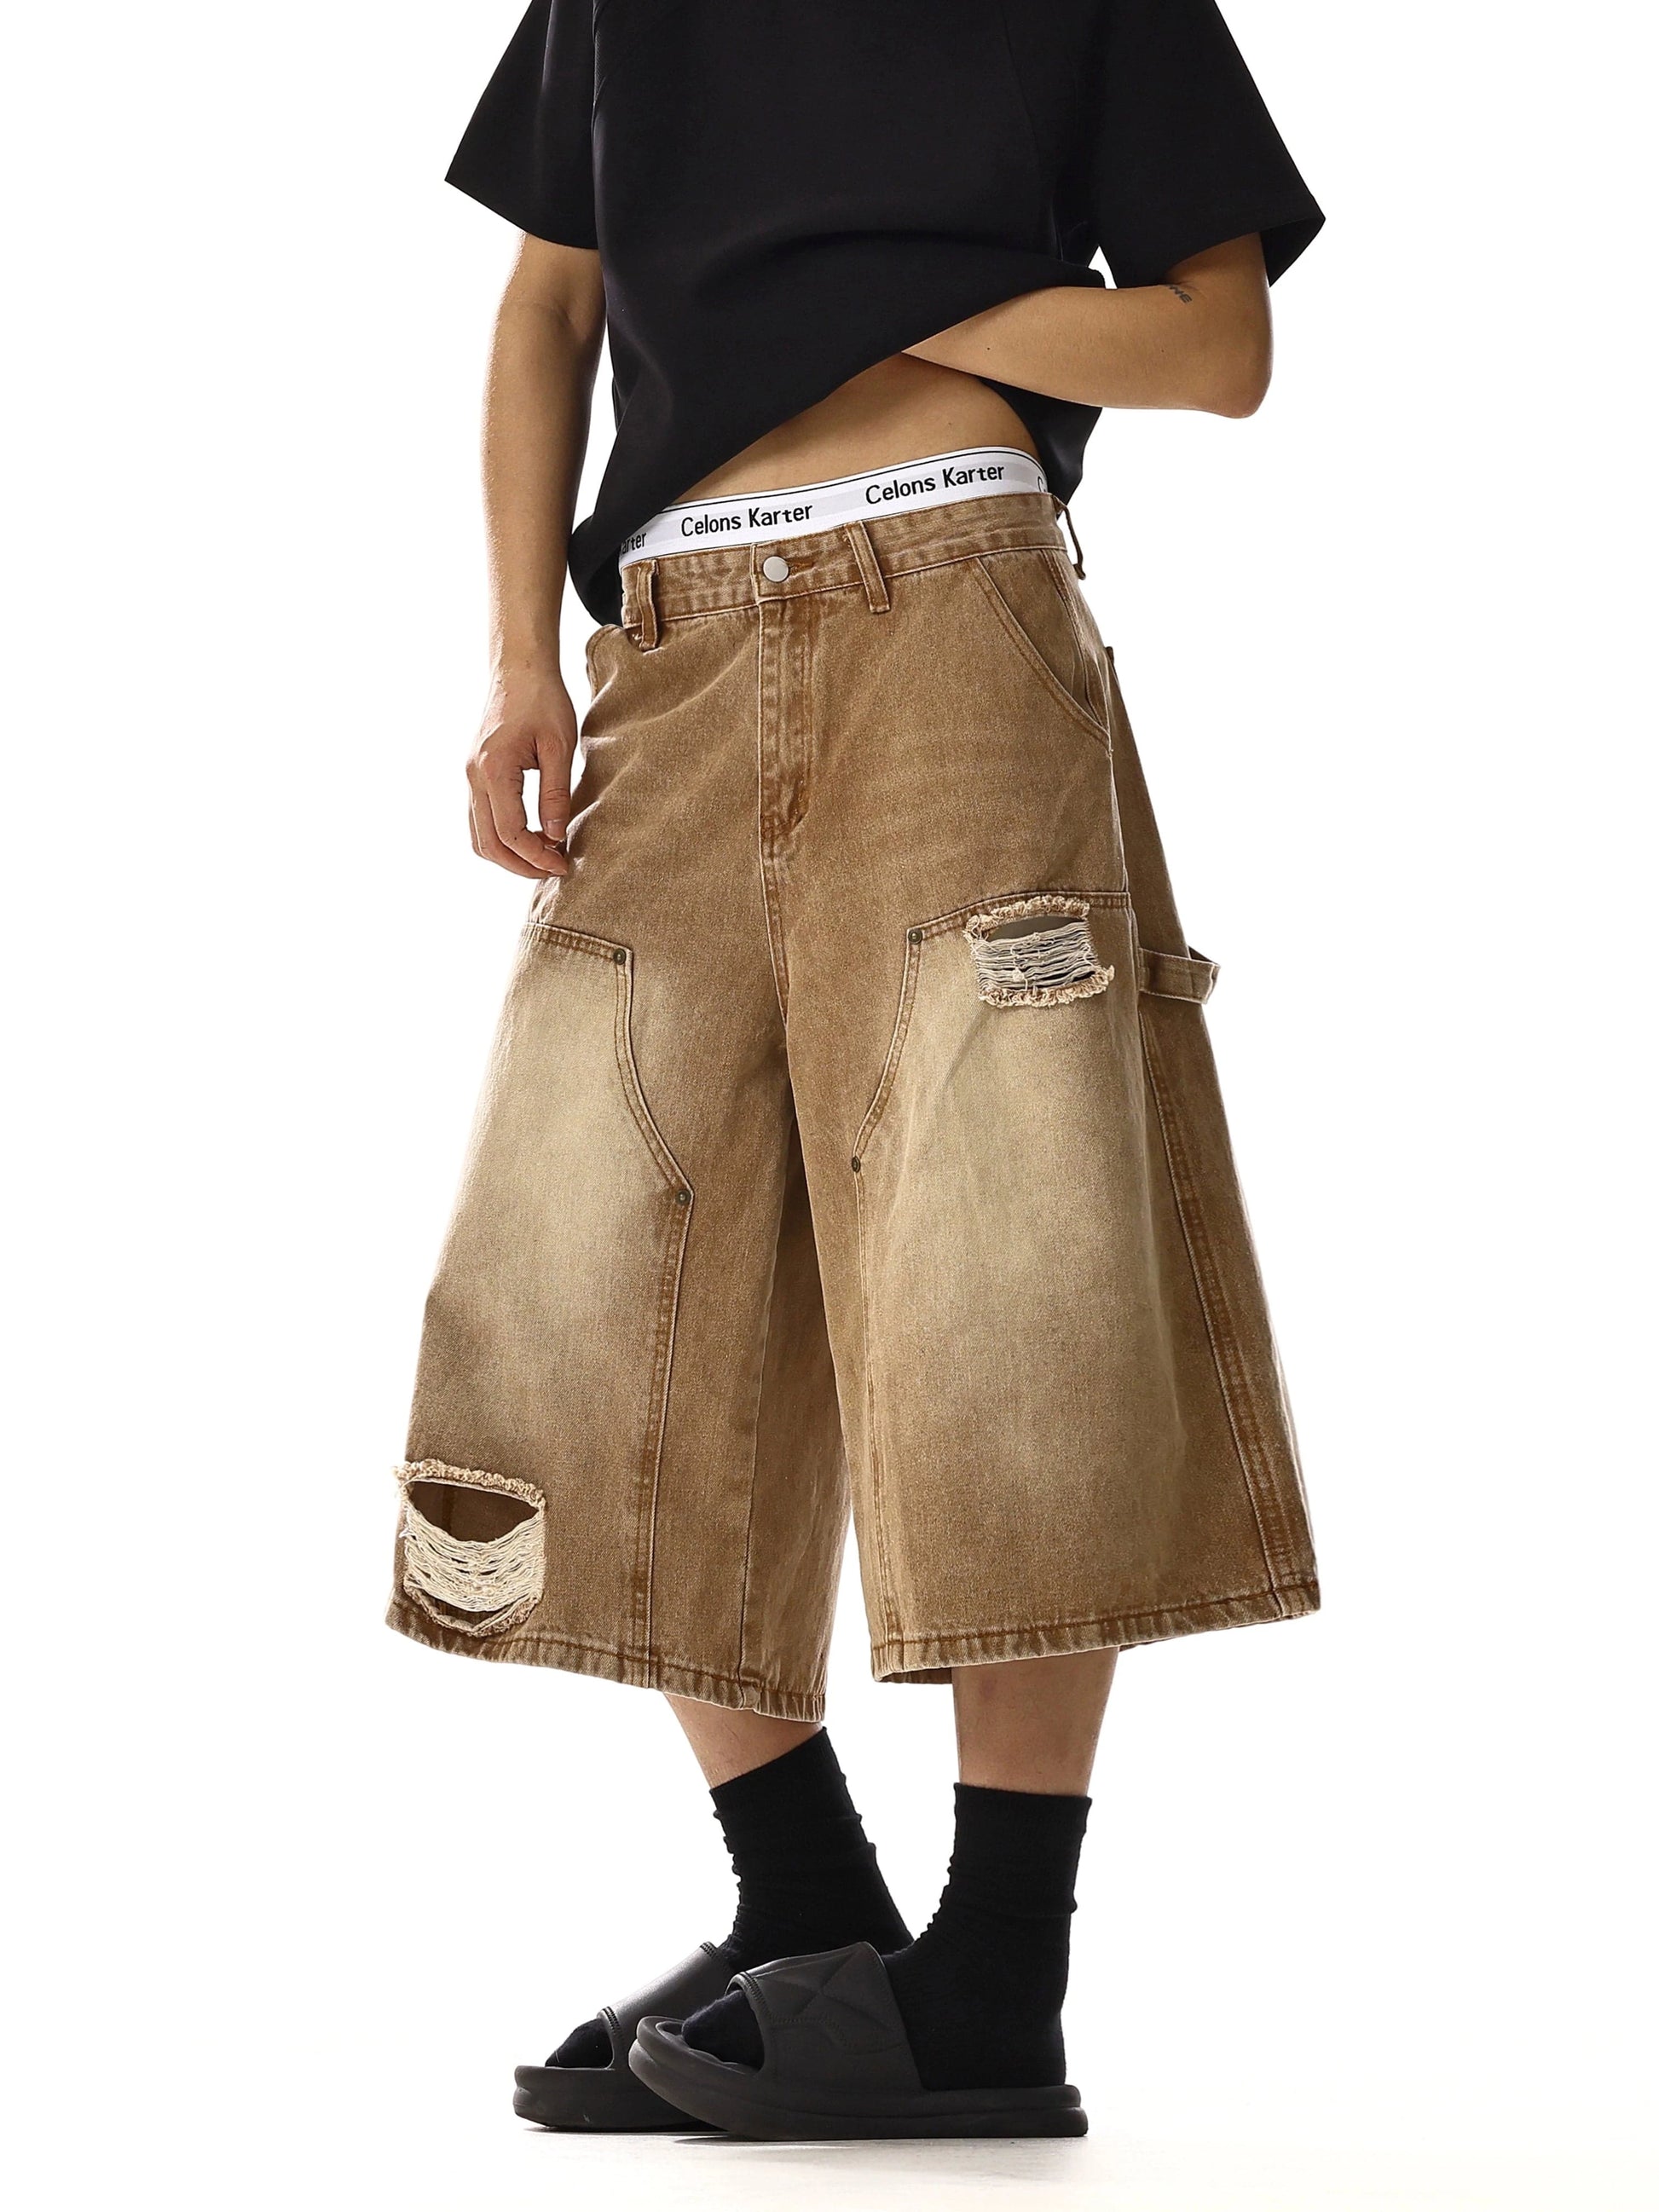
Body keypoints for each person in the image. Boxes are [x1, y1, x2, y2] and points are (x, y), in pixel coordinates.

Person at [389, 0, 1323, 2142]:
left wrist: (901, 320)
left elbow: (1218, 345)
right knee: (596, 1258)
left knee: (1008, 1252)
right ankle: (806, 1892)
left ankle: (997, 1967)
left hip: (954, 601)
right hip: (670, 640)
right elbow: (547, 301)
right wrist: (519, 655)